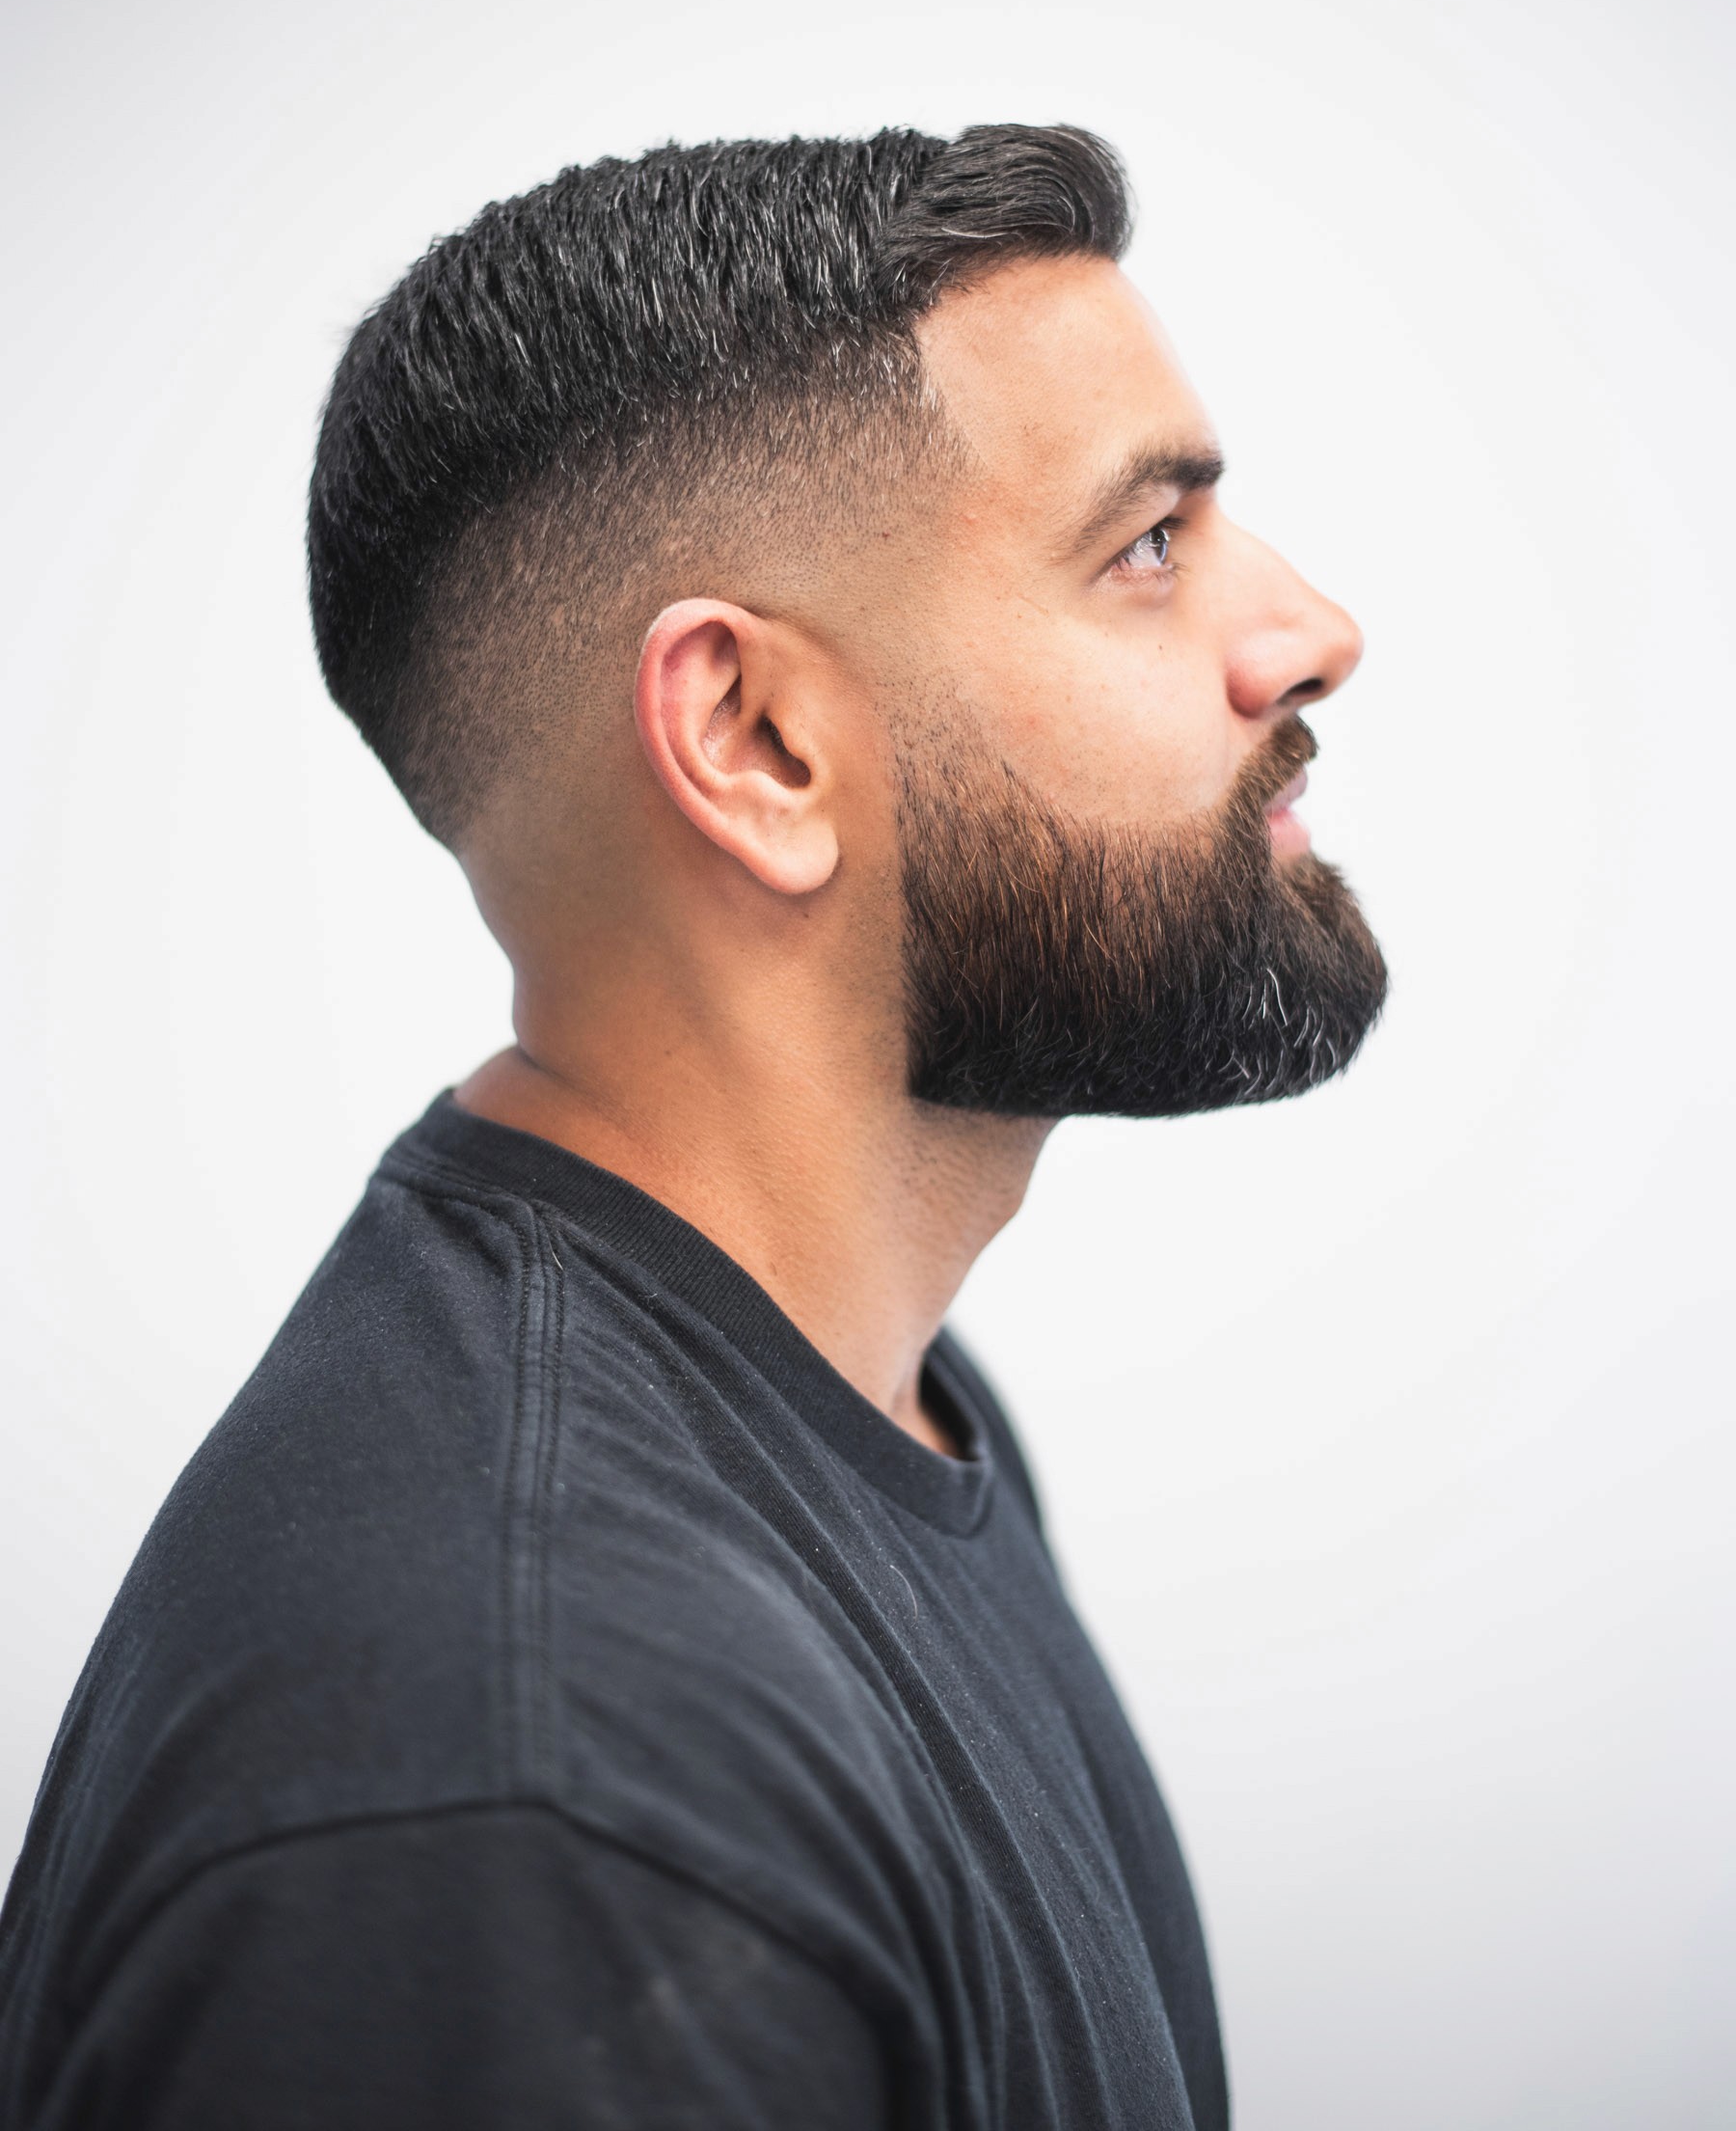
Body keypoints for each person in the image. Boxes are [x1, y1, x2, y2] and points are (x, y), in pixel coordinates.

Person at [0, 125, 1387, 2128]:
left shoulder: (871, 1398)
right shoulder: (537, 1796)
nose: (1312, 630)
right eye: (1145, 547)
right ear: (753, 742)